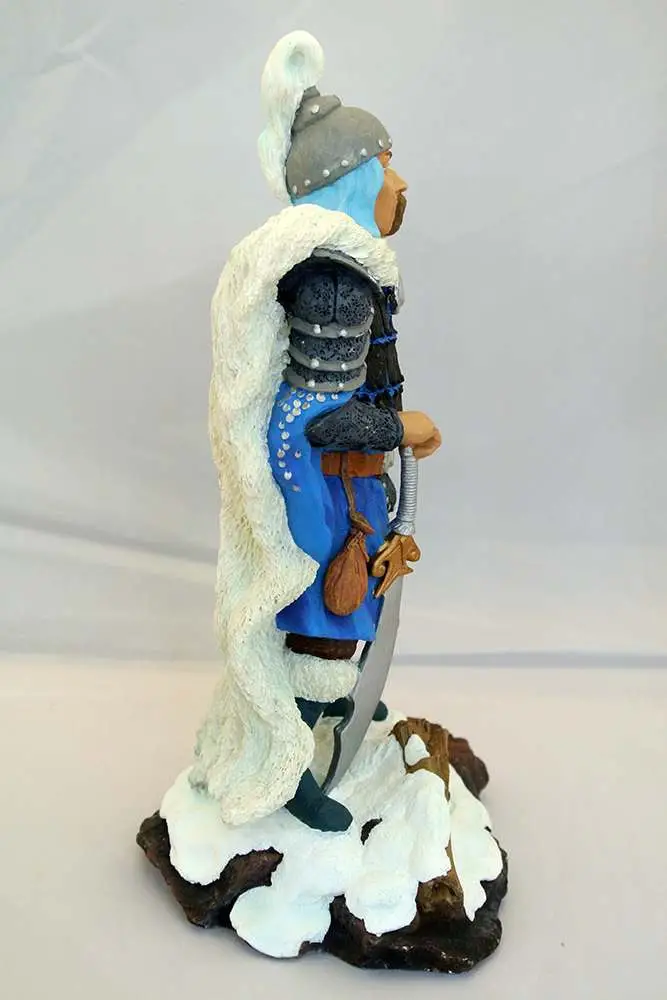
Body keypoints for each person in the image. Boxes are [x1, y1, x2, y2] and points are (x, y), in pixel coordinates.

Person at [190, 31, 441, 833]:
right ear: (352, 177)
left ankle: (331, 700)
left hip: (340, 475)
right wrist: (398, 426)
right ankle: (290, 762)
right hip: (322, 479)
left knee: (343, 604)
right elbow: (320, 417)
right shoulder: (334, 282)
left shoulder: (348, 266)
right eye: (386, 164)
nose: (400, 181)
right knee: (326, 617)